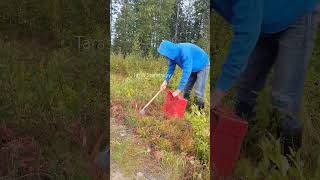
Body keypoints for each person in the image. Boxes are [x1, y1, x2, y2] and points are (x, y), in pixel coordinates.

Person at [211, 0, 320, 156]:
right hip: (264, 17)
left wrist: (219, 91)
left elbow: (246, 34)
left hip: (298, 12)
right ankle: (238, 147)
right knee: (246, 85)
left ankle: (287, 165)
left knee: (284, 97)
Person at [158, 40, 210, 109]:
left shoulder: (185, 52)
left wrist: (178, 90)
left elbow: (186, 72)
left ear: (169, 51)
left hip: (203, 65)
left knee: (198, 91)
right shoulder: (172, 56)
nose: (165, 56)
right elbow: (170, 69)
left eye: (165, 55)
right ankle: (185, 107)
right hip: (193, 67)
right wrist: (165, 81)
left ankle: (199, 111)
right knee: (186, 89)